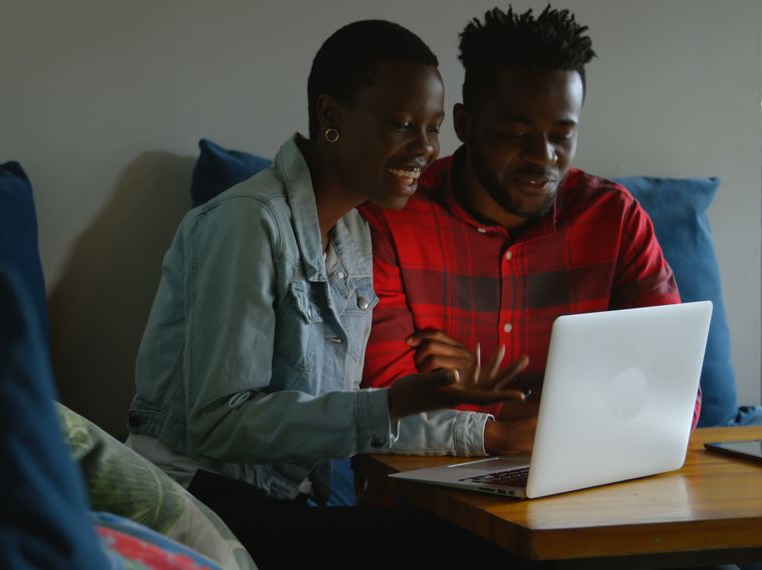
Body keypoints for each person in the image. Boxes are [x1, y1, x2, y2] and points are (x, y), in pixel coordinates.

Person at [126, 19, 525, 568]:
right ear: (330, 116)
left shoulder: (355, 232)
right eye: (403, 124)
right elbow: (219, 423)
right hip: (197, 502)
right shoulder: (248, 222)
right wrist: (395, 400)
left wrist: (492, 435)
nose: (425, 149)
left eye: (433, 128)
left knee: (488, 531)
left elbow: (343, 413)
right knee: (460, 542)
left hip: (277, 503)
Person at [360, 5, 695, 459]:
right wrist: (583, 408)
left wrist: (478, 395)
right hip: (426, 500)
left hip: (586, 483)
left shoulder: (615, 219)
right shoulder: (389, 218)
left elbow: (675, 399)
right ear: (464, 123)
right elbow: (390, 410)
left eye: (562, 135)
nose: (544, 156)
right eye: (516, 135)